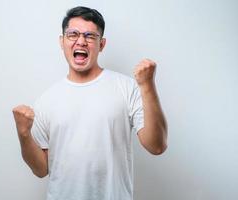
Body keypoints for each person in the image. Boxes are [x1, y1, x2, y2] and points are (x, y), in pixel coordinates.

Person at [12, 6, 167, 200]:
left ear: (101, 44)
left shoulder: (126, 87)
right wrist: (24, 134)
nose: (81, 41)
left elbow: (157, 146)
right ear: (62, 41)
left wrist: (147, 86)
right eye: (73, 34)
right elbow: (41, 169)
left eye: (90, 36)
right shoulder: (47, 100)